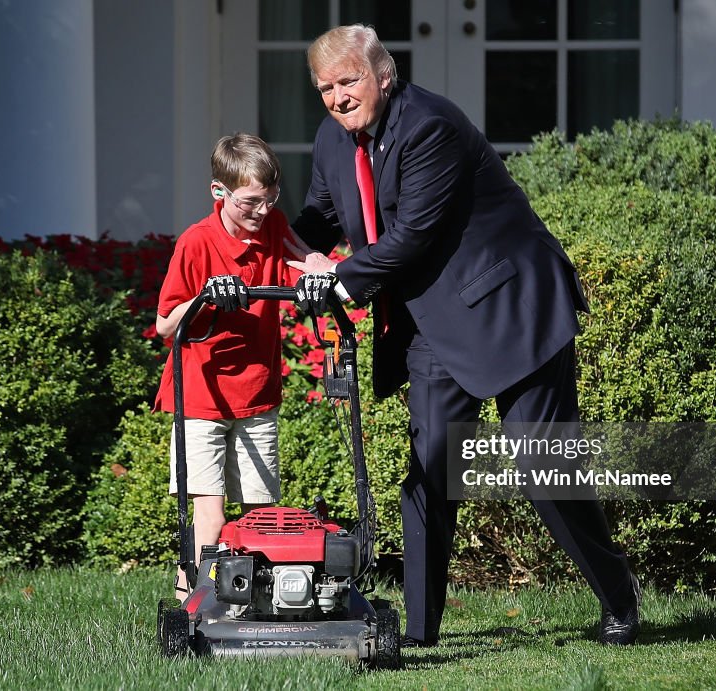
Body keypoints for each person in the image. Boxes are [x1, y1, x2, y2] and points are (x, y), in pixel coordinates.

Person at [285, 25, 641, 647]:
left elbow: (412, 235)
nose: (338, 97)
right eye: (325, 88)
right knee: (430, 472)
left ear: (384, 76)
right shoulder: (331, 140)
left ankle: (618, 595)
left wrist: (339, 279)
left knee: (542, 467)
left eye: (349, 81)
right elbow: (319, 218)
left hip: (511, 307)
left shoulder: (430, 126)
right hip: (432, 325)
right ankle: (419, 636)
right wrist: (259, 249)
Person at [155, 133, 326, 593]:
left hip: (257, 392)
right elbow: (165, 325)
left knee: (261, 512)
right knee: (210, 514)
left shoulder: (272, 227)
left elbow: (304, 260)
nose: (262, 212)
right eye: (250, 202)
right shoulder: (196, 243)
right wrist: (206, 297)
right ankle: (192, 597)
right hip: (201, 396)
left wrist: (319, 277)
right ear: (219, 192)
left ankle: (255, 599)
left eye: (269, 201)